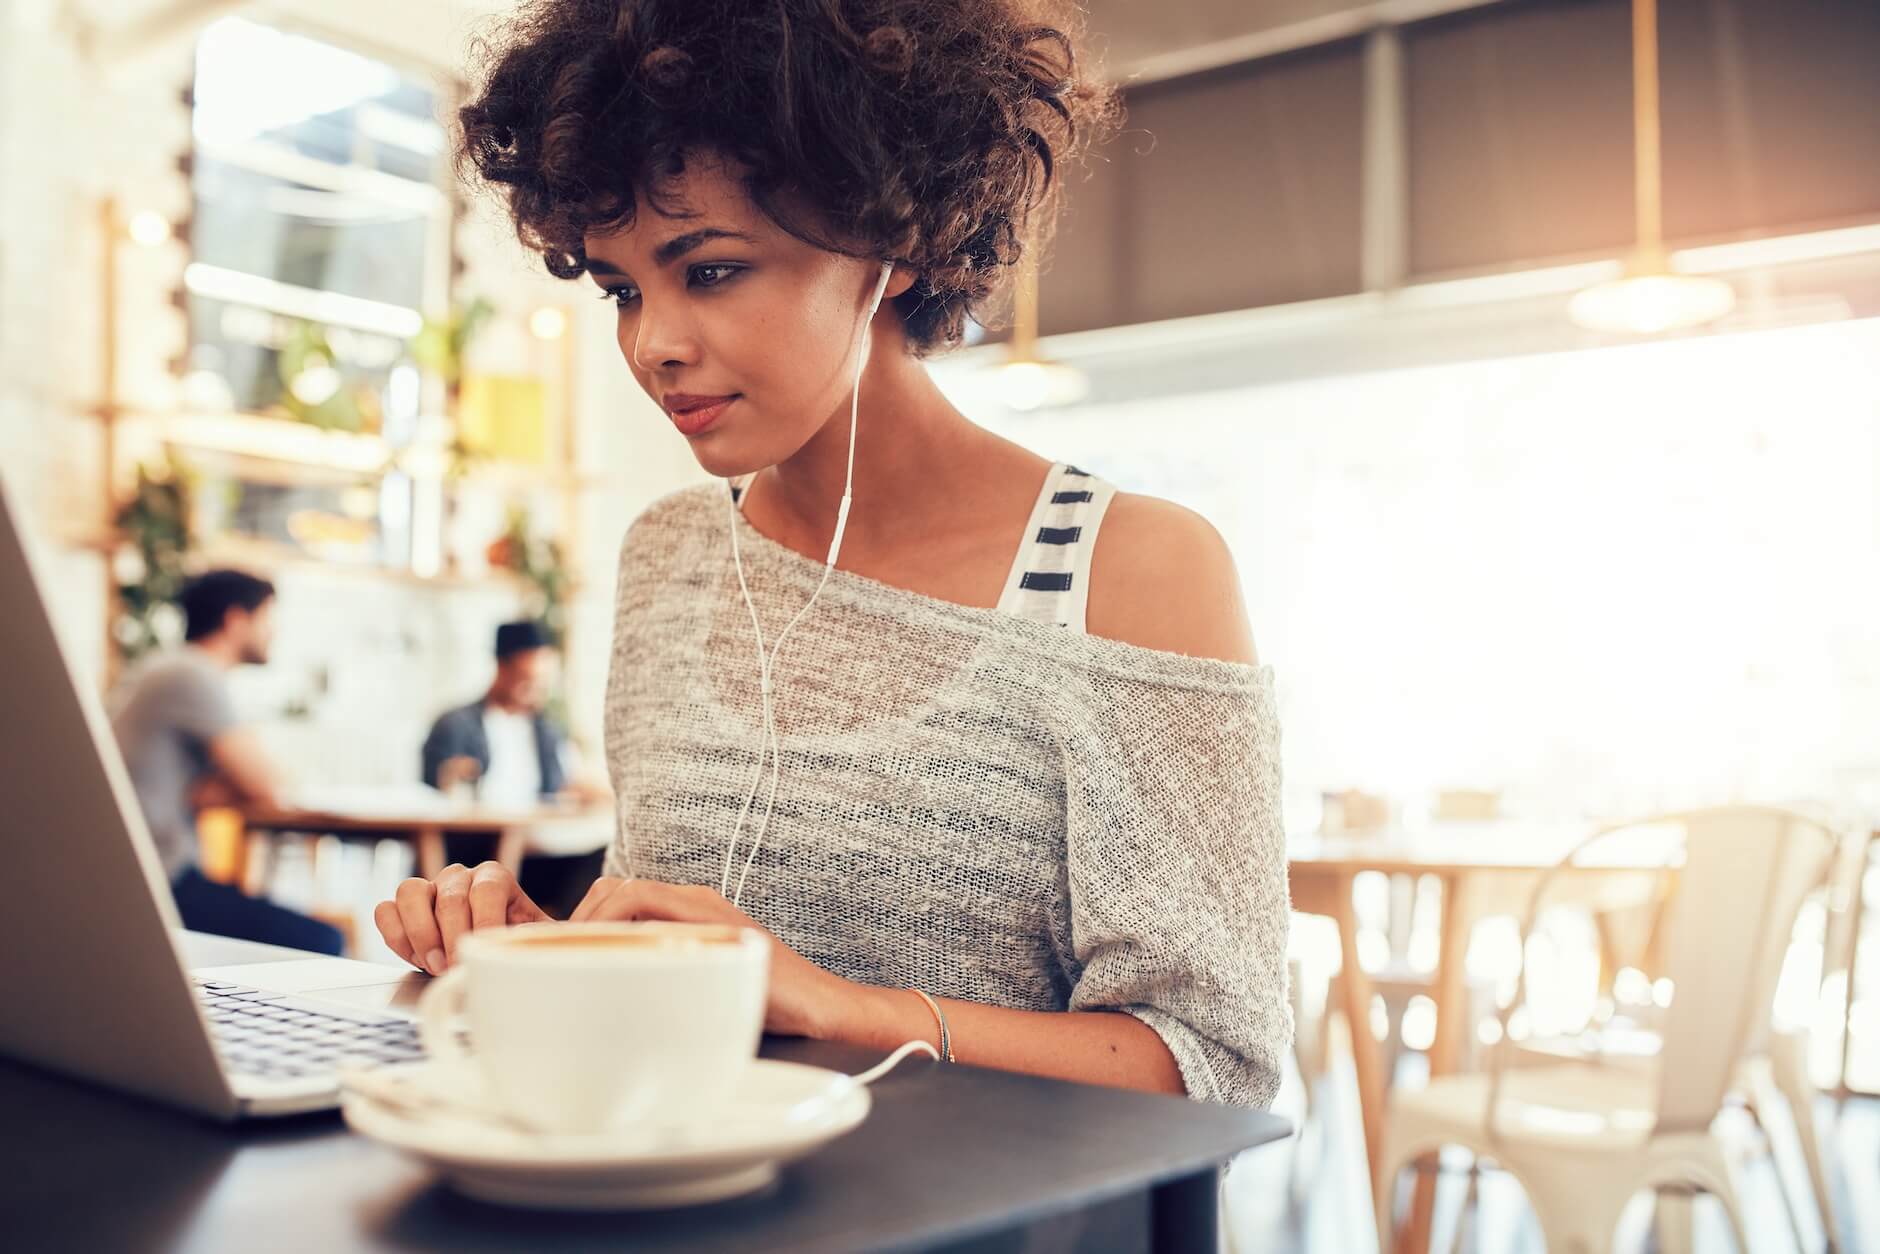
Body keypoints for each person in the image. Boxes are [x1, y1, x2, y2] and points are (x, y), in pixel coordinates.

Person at [376, 0, 1290, 1107]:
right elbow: (690, 961)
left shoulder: (1131, 568)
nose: (652, 344)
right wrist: (538, 950)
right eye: (621, 288)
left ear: (891, 240)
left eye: (707, 270)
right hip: (691, 1196)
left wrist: (834, 1004)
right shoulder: (672, 560)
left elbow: (1215, 1062)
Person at [111, 570, 343, 955]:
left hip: (145, 872)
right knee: (324, 940)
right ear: (236, 620)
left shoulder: (169, 669)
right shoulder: (192, 675)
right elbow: (268, 787)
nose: (274, 632)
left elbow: (201, 792)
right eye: (267, 618)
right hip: (159, 882)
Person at [421, 620, 568, 806]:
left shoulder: (547, 730)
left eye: (541, 681)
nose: (534, 689)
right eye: (526, 678)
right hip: (477, 832)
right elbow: (431, 791)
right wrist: (453, 775)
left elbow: (558, 787)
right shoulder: (455, 725)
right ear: (502, 667)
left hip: (535, 830)